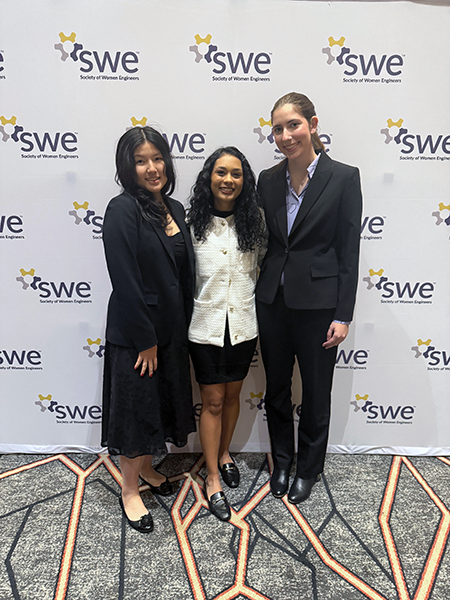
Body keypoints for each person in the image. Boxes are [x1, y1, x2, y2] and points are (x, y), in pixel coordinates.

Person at [256, 92, 362, 504]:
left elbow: (348, 251)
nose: (285, 136)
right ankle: (282, 461)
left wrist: (344, 314)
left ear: (313, 124)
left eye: (293, 125)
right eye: (278, 129)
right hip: (273, 303)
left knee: (317, 392)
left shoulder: (344, 177)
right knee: (277, 389)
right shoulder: (267, 179)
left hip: (319, 305)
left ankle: (309, 468)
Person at [102, 126, 196, 533]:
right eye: (141, 161)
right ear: (128, 166)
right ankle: (128, 488)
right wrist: (146, 341)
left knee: (158, 406)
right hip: (140, 337)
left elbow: (181, 273)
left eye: (157, 158)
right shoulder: (122, 209)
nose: (152, 168)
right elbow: (124, 280)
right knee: (138, 412)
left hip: (172, 331)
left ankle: (146, 471)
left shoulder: (174, 207)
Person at [187, 147, 266, 521]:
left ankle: (223, 453)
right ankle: (213, 477)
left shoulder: (255, 224)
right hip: (204, 328)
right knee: (213, 401)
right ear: (209, 178)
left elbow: (260, 273)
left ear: (243, 181)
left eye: (236, 174)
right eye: (221, 172)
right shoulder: (191, 225)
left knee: (233, 395)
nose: (228, 180)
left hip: (244, 326)